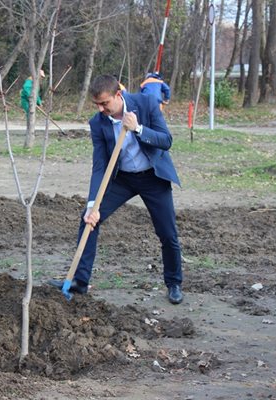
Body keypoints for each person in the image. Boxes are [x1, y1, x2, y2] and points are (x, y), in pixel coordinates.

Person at [52, 74, 183, 305]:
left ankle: (174, 283)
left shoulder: (146, 104)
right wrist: (93, 205)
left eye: (105, 103)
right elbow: (100, 166)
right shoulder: (98, 123)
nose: (101, 109)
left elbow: (166, 140)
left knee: (167, 233)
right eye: (97, 105)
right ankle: (80, 282)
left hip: (153, 176)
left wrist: (138, 128)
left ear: (118, 95)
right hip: (122, 179)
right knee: (89, 220)